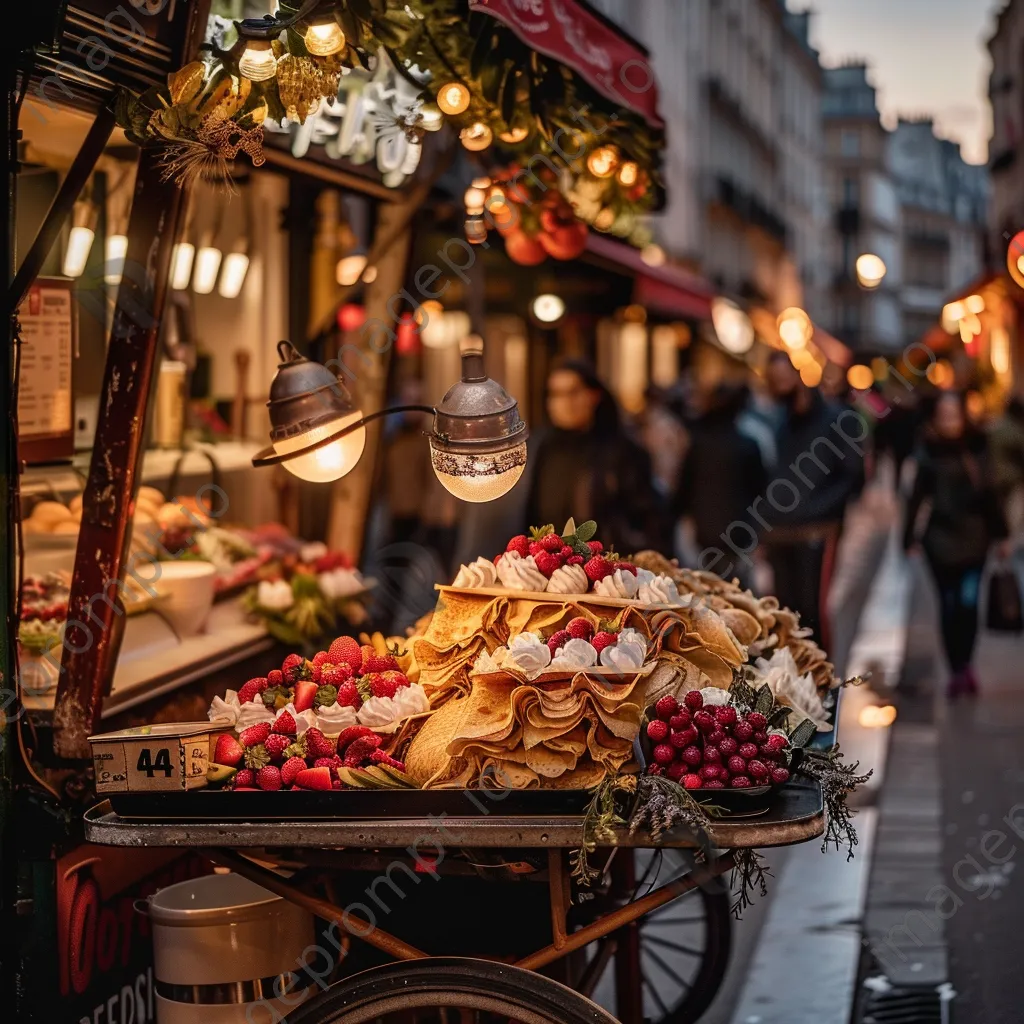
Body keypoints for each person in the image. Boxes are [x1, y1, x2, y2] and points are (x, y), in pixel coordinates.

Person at [904, 392, 1008, 697]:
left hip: (975, 540)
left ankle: (966, 665)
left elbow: (993, 495)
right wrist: (907, 538)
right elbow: (915, 498)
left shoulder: (978, 448)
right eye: (944, 415)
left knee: (968, 604)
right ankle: (955, 668)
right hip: (939, 542)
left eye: (954, 414)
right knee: (949, 606)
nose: (950, 421)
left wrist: (1002, 535)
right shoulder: (927, 452)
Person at [760, 351, 864, 649]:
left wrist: (818, 511)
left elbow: (852, 476)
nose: (779, 384)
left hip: (816, 531)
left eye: (783, 377)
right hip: (778, 532)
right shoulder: (773, 420)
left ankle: (821, 685)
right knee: (785, 614)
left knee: (812, 613)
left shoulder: (836, 418)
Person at [525, 359, 670, 553]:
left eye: (573, 392)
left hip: (606, 566)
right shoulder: (540, 448)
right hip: (548, 564)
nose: (564, 402)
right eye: (556, 394)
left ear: (593, 395)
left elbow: (649, 516)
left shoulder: (622, 450)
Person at [672, 382, 767, 590]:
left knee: (707, 593)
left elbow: (683, 489)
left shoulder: (698, 444)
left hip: (706, 534)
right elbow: (761, 491)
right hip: (739, 534)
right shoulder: (748, 445)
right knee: (737, 593)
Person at [989, 396, 1024, 540]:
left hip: (995, 477)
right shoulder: (1015, 430)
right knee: (1012, 516)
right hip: (1011, 479)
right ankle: (1008, 541)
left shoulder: (994, 426)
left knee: (999, 511)